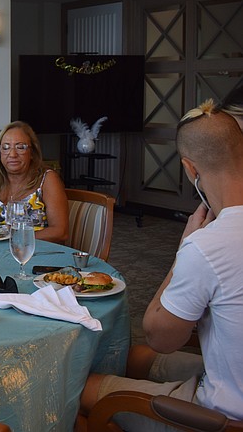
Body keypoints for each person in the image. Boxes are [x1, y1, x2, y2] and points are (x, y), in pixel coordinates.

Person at [78, 100, 243, 430]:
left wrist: (183, 250)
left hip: (222, 415)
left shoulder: (207, 245)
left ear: (190, 168)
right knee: (132, 357)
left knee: (77, 390)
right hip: (229, 372)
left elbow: (160, 338)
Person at [0, 121, 69, 243]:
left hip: (35, 256)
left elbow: (60, 232)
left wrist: (16, 238)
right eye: (6, 147)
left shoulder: (48, 180)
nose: (12, 154)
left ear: (32, 152)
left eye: (20, 147)